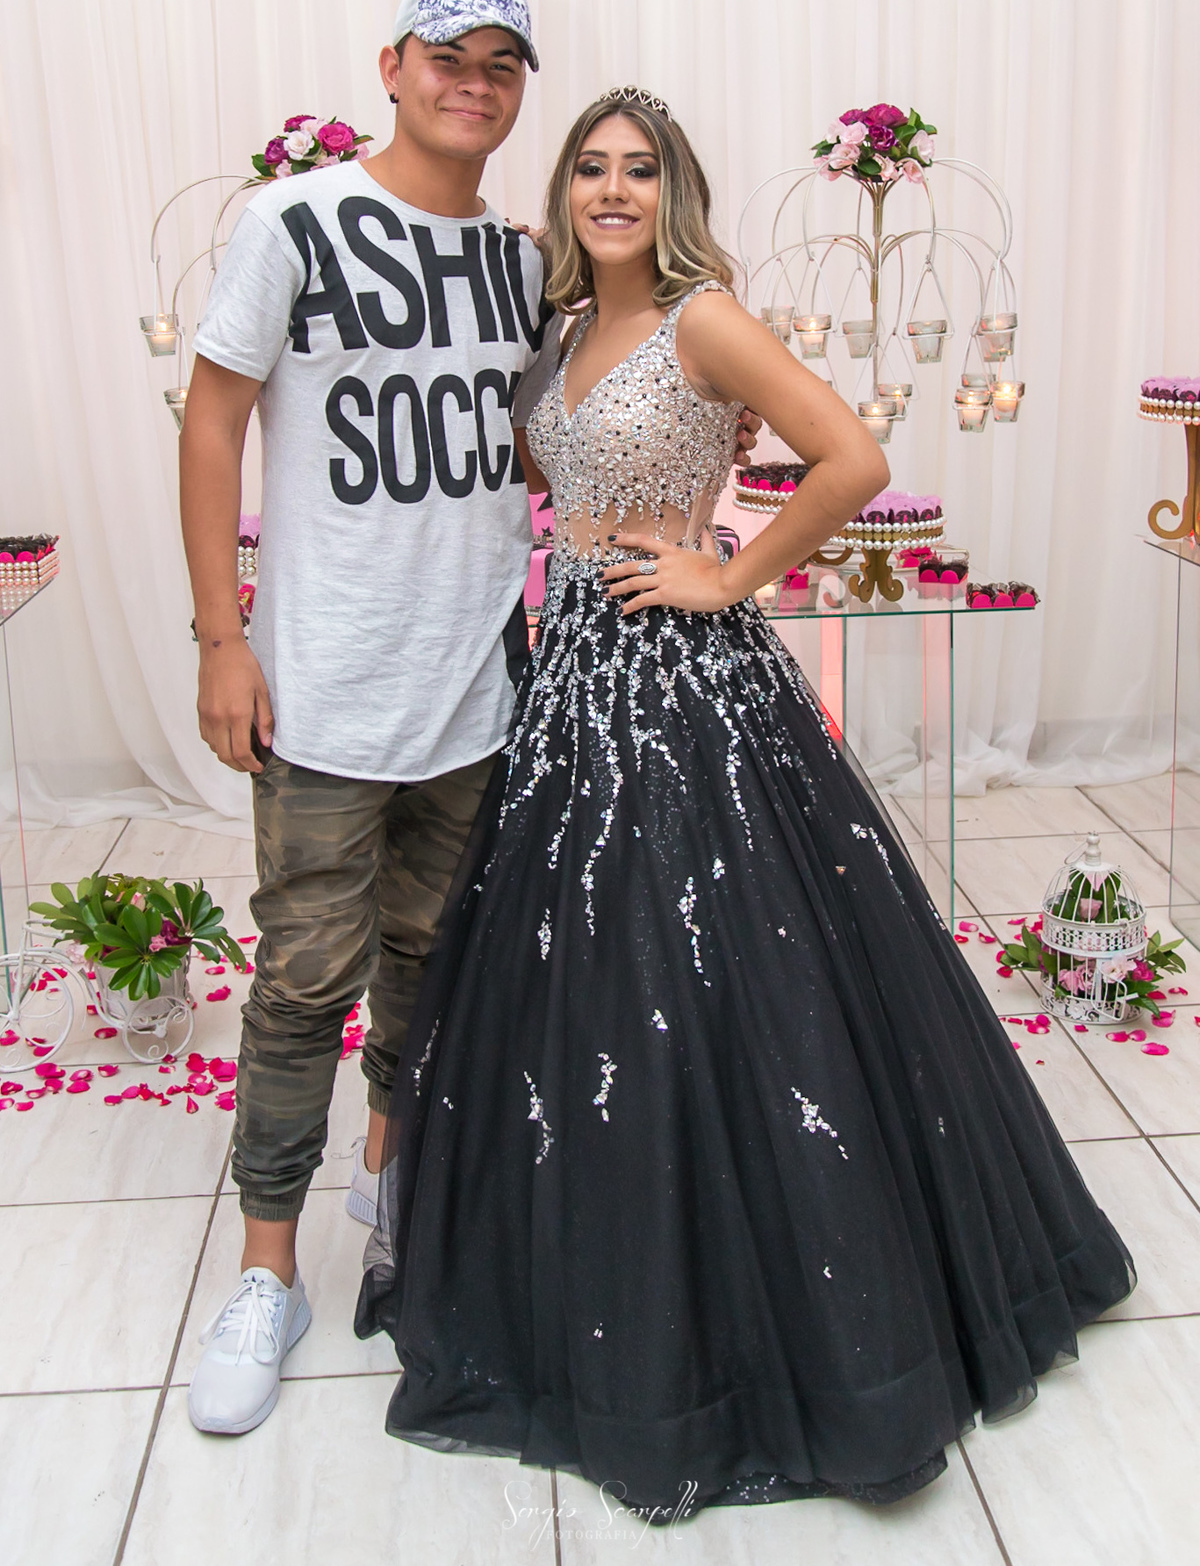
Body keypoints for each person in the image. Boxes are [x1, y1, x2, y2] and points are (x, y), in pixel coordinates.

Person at [356, 87, 1135, 1518]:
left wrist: (725, 570)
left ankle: (784, 1327)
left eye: (640, 170)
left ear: (674, 193)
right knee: (588, 975)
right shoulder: (556, 333)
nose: (612, 190)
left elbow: (854, 458)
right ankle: (598, 1276)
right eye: (590, 168)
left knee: (715, 965)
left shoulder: (701, 318)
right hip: (570, 672)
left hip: (686, 684)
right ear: (562, 192)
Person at [179, 0, 761, 1437]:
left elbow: (617, 402)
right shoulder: (293, 220)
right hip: (322, 685)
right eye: (451, 55)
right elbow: (214, 415)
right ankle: (264, 1275)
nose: (476, 82)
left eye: (504, 64)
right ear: (393, 64)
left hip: (490, 693)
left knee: (435, 977)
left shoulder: (527, 267)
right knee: (304, 981)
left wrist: (713, 485)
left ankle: (394, 1196)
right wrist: (219, 637)